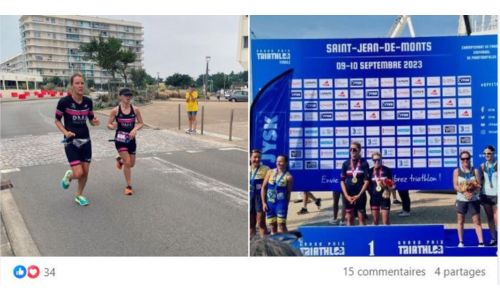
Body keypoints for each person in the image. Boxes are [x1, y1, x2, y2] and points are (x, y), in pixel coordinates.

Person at [56, 73, 100, 206]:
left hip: (86, 140)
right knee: (79, 172)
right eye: (77, 83)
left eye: (82, 83)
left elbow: (91, 119)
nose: (80, 86)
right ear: (72, 85)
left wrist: (94, 122)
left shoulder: (88, 101)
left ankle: (79, 195)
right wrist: (65, 132)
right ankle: (69, 176)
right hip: (71, 142)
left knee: (85, 172)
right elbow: (57, 120)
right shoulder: (64, 102)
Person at [107, 88, 144, 196]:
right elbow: (108, 124)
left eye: (130, 95)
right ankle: (128, 186)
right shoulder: (115, 110)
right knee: (128, 162)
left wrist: (135, 129)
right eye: (126, 95)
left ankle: (120, 160)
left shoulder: (135, 109)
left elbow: (141, 123)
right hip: (120, 139)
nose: (128, 97)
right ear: (120, 96)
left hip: (131, 139)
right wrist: (112, 126)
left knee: (131, 164)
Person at [453, 150, 484, 247]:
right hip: (461, 199)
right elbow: (455, 186)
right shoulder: (456, 171)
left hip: (473, 199)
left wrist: (472, 191)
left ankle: (481, 242)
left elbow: (479, 185)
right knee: (460, 221)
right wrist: (464, 191)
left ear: (470, 159)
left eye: (467, 158)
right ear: (460, 160)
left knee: (477, 221)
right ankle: (461, 242)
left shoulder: (475, 171)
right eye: (463, 159)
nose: (465, 160)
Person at [261, 155, 293, 234]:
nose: (278, 163)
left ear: (286, 163)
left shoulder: (288, 177)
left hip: (281, 203)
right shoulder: (270, 172)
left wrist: (286, 204)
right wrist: (263, 202)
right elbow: (263, 187)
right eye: (277, 161)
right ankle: (274, 244)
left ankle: (287, 242)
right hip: (270, 203)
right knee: (272, 226)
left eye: (281, 161)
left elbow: (288, 192)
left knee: (282, 225)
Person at [340, 141, 370, 226]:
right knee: (349, 220)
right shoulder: (345, 164)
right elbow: (342, 181)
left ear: (359, 150)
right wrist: (346, 196)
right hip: (348, 195)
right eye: (351, 149)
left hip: (360, 195)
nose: (352, 151)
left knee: (362, 221)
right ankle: (350, 238)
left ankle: (362, 239)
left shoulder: (364, 163)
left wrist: (359, 195)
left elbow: (366, 181)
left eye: (355, 150)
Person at [249, 149, 270, 238]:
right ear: (250, 158)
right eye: (255, 157)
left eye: (259, 157)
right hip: (249, 198)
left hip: (259, 198)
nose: (257, 159)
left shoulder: (266, 169)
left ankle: (264, 244)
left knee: (261, 223)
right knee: (251, 224)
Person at [368, 152, 393, 225]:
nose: (377, 161)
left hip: (385, 198)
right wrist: (372, 194)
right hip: (374, 198)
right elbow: (367, 185)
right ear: (372, 161)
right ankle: (375, 236)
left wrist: (388, 191)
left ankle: (387, 236)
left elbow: (391, 184)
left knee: (386, 222)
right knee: (375, 222)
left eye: (379, 160)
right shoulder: (370, 171)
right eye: (375, 160)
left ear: (381, 160)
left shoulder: (387, 170)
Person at [480, 145, 497, 246]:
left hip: (496, 195)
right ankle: (493, 238)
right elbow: (480, 181)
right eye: (485, 154)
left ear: (493, 153)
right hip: (486, 195)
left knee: (497, 218)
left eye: (489, 153)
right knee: (490, 218)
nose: (487, 155)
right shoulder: (482, 166)